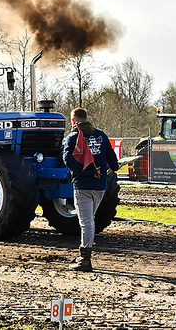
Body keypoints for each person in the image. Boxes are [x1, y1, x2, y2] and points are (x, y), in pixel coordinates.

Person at [62, 107, 119, 272]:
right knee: (90, 220)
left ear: (73, 121)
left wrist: (86, 171)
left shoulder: (73, 137)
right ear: (87, 118)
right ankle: (84, 255)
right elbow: (111, 156)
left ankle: (85, 259)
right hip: (101, 185)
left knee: (86, 222)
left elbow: (67, 159)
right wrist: (114, 167)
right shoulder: (101, 135)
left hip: (83, 186)